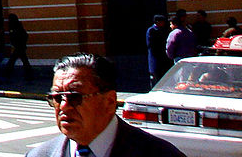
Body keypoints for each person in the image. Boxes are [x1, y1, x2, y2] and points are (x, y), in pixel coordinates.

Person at [26, 53, 185, 157]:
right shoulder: (39, 155)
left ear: (109, 101)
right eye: (57, 98)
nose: (64, 107)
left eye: (75, 97)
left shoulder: (160, 154)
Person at [146, 14, 172, 88]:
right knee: (155, 77)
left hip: (164, 59)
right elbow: (151, 45)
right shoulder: (152, 30)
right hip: (156, 58)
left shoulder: (164, 30)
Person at [3, 13, 33, 77]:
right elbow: (25, 35)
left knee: (13, 60)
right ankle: (29, 73)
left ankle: (7, 72)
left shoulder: (14, 26)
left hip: (19, 46)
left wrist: (15, 43)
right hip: (20, 46)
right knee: (23, 60)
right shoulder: (18, 25)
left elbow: (15, 36)